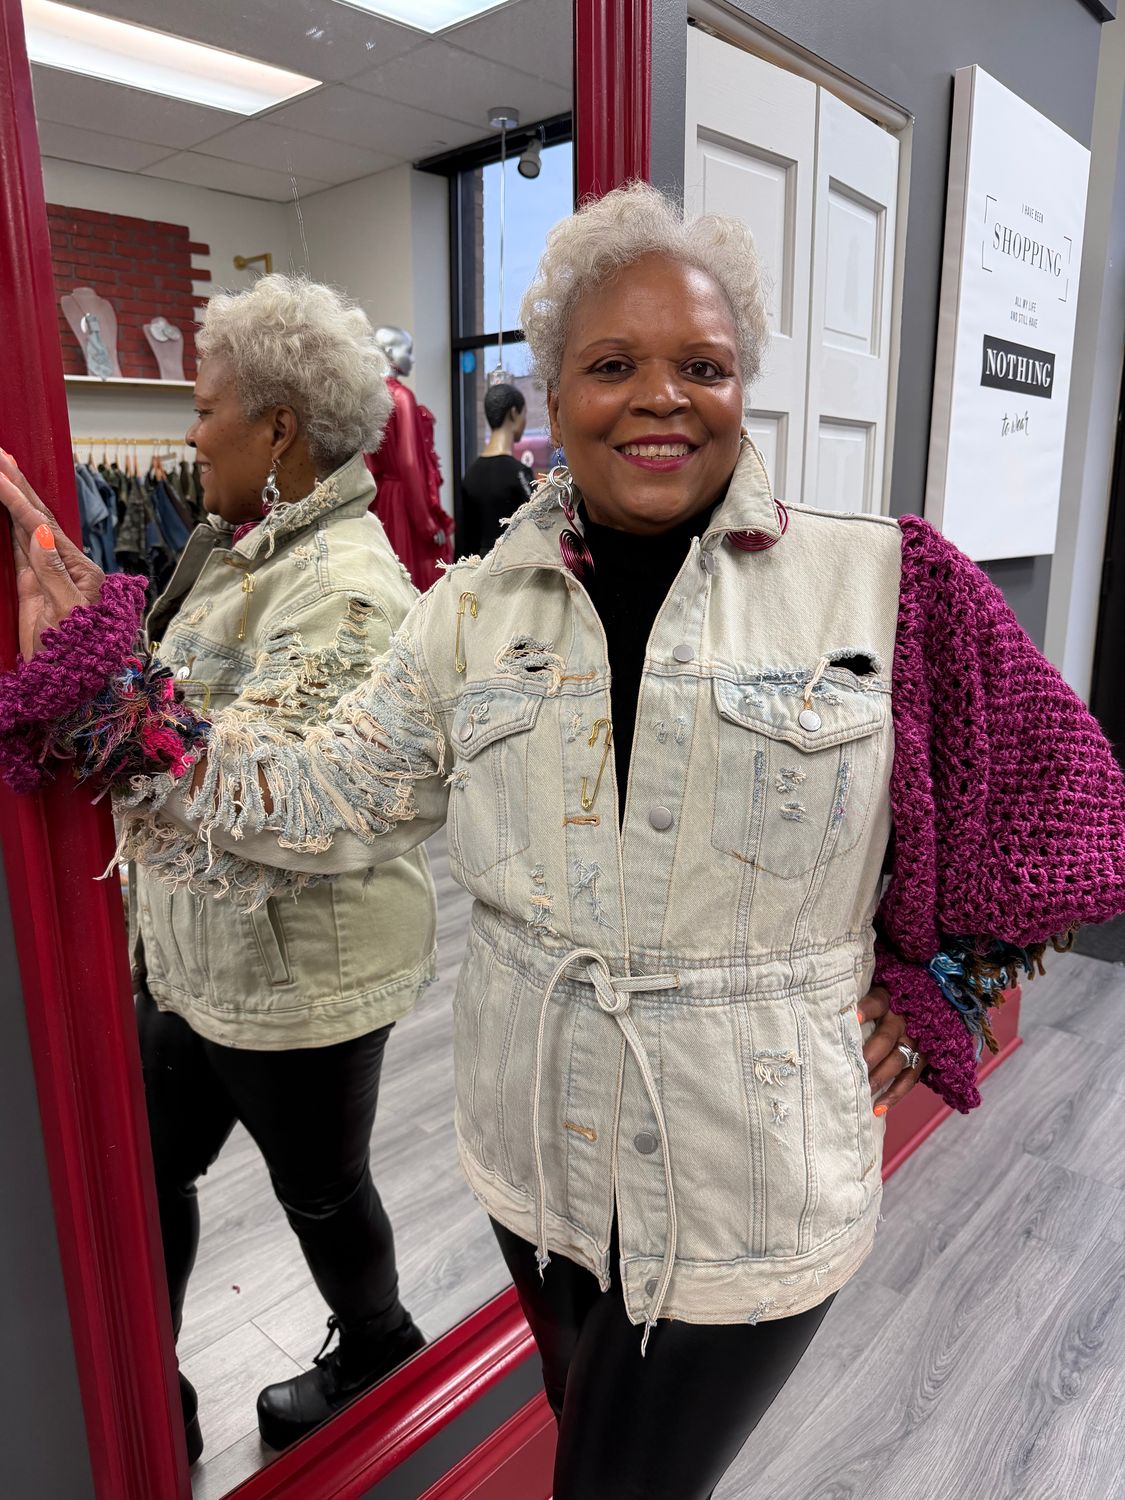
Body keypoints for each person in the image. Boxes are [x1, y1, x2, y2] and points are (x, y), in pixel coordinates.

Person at [3, 186, 1124, 1499]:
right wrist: (119, 698)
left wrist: (951, 980)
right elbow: (319, 801)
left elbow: (1073, 801)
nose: (660, 396)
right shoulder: (469, 614)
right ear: (552, 390)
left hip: (750, 1183)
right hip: (536, 1160)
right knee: (586, 1422)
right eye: (612, 364)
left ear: (739, 381)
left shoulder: (885, 581)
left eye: (699, 364)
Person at [0, 275, 439, 1462]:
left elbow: (290, 800)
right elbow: (190, 718)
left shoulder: (348, 588)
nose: (188, 436)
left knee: (322, 1191)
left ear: (279, 428)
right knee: (146, 1170)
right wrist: (96, 630)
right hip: (196, 958)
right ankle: (153, 1387)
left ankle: (380, 1346)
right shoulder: (244, 555)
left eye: (204, 410)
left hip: (299, 981)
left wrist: (104, 690)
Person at [460, 382, 533, 556]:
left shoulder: (470, 474)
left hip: (478, 571)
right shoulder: (519, 473)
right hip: (513, 568)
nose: (525, 421)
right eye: (524, 414)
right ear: (514, 413)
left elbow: (464, 539)